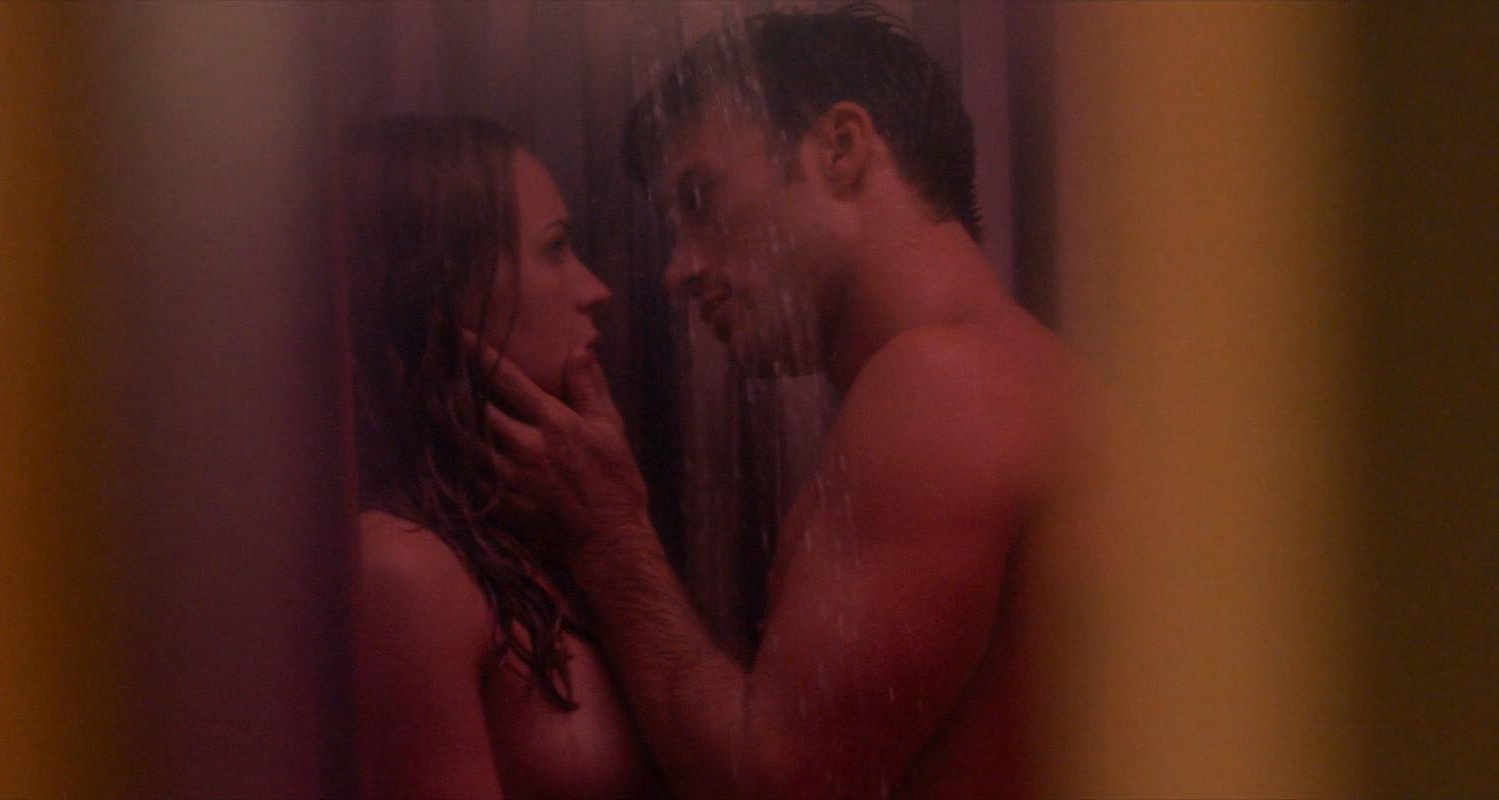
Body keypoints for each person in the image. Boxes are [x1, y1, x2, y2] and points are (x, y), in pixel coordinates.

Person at [477, 8, 1089, 798]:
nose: (679, 269)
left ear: (841, 149)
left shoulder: (946, 384)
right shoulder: (1004, 369)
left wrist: (609, 539)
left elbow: (779, 781)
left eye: (701, 197)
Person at [339, 115, 663, 799]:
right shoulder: (402, 571)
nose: (595, 288)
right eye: (556, 248)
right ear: (442, 287)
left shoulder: (532, 535)